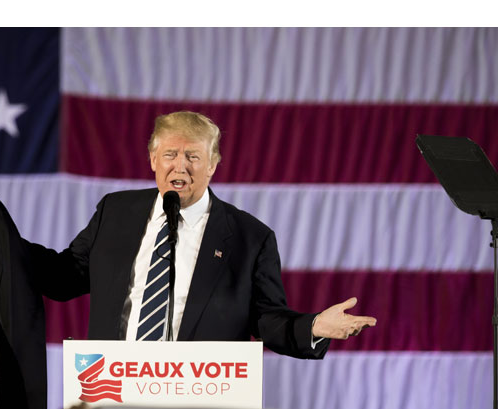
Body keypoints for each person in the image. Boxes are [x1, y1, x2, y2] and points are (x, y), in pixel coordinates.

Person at [27, 111, 376, 357]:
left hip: (200, 395)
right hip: (114, 389)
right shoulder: (115, 212)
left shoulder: (249, 237)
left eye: (193, 156)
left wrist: (312, 326)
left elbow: (266, 317)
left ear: (212, 164)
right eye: (170, 154)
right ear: (152, 159)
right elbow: (65, 276)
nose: (180, 165)